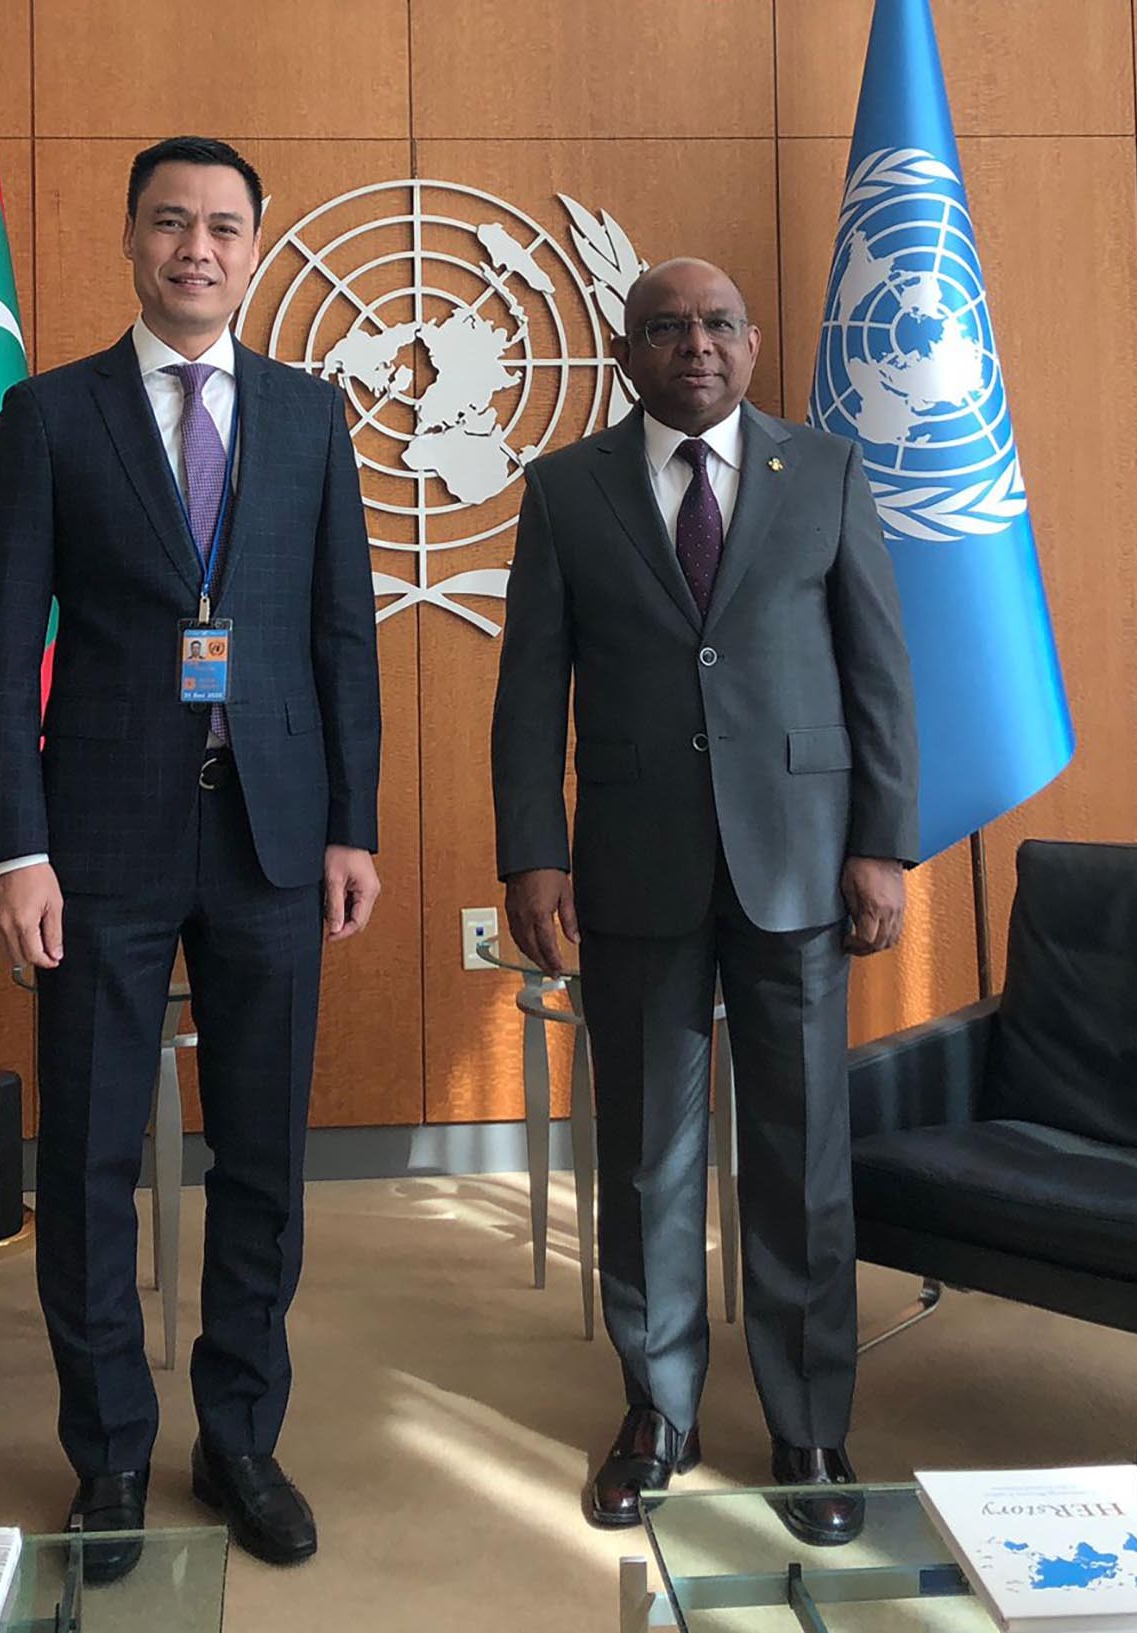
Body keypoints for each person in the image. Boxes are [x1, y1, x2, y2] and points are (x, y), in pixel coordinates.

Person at [0, 136, 382, 1579]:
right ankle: (110, 1455)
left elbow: (341, 636)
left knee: (261, 1152)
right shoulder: (48, 416)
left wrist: (351, 823)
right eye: (169, 222)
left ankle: (241, 1438)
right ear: (131, 240)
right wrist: (13, 847)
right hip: (96, 841)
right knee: (88, 1159)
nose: (196, 248)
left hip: (273, 836)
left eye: (222, 226)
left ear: (256, 247)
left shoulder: (311, 415)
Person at [490, 259, 917, 1543]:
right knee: (647, 1157)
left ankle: (808, 1422)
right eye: (668, 327)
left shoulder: (824, 472)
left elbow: (878, 672)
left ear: (751, 342)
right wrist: (531, 853)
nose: (697, 345)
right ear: (630, 353)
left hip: (801, 863)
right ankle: (657, 1411)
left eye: (719, 324)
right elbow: (530, 690)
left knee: (801, 1159)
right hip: (634, 865)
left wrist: (883, 843)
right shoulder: (566, 489)